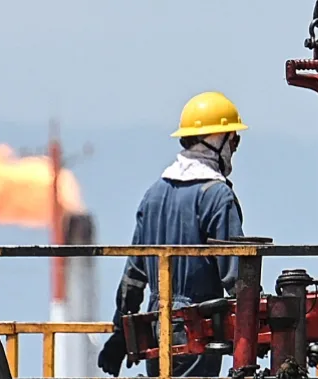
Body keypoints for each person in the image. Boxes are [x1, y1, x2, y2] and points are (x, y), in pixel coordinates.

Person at [97, 91, 247, 378]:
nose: (234, 149)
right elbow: (237, 277)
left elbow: (133, 276)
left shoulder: (153, 195)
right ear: (217, 140)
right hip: (197, 326)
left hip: (156, 324)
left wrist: (120, 333)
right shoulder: (216, 196)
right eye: (233, 140)